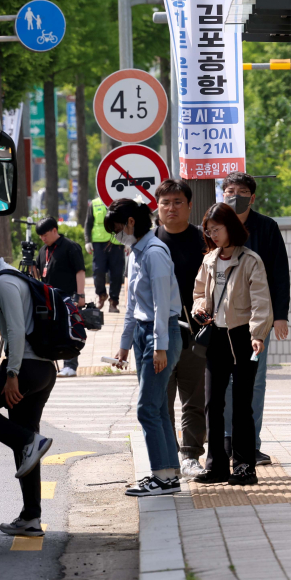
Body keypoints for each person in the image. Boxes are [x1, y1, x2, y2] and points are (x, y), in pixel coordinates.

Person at [0, 232, 56, 535]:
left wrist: (11, 374)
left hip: (26, 367)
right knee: (25, 439)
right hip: (43, 369)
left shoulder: (4, 282)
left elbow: (16, 331)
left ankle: (28, 442)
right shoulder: (14, 276)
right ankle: (31, 517)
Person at [192, 203, 273, 486]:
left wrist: (258, 334)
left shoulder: (251, 260)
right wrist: (200, 308)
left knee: (241, 405)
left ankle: (244, 467)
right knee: (213, 403)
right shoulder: (209, 260)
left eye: (217, 229)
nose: (213, 234)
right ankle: (216, 466)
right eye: (209, 230)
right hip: (216, 336)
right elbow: (199, 292)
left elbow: (261, 301)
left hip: (242, 338)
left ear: (231, 228)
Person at [110, 199, 183, 497]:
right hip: (144, 335)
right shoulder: (135, 254)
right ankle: (168, 474)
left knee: (146, 409)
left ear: (130, 222)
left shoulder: (154, 253)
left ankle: (161, 478)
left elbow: (161, 305)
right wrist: (124, 346)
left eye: (117, 229)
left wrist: (160, 347)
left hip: (159, 334)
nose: (116, 235)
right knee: (157, 408)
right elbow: (131, 306)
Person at [219, 172, 289, 465]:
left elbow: (280, 273)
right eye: (230, 190)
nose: (236, 195)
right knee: (224, 382)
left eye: (242, 191)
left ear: (253, 196)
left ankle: (250, 444)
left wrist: (281, 316)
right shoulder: (215, 225)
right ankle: (226, 442)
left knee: (255, 381)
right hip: (222, 320)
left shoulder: (267, 227)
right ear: (222, 194)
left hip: (258, 320)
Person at [154, 180, 208, 480]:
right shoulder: (148, 243)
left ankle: (190, 456)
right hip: (157, 335)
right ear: (157, 207)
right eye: (165, 202)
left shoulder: (204, 241)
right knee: (161, 399)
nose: (171, 207)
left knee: (194, 399)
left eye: (177, 202)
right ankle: (168, 456)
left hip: (194, 334)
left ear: (189, 205)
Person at [35, 216, 87, 377]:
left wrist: (80, 295)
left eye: (45, 235)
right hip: (49, 298)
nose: (43, 239)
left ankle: (70, 365)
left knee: (69, 330)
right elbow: (37, 273)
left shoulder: (70, 247)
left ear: (54, 230)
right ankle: (50, 361)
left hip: (68, 297)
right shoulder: (43, 250)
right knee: (51, 331)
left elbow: (80, 271)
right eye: (40, 236)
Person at [85, 195, 125, 313]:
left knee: (117, 274)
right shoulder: (94, 203)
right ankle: (101, 295)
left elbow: (126, 222)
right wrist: (88, 241)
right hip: (99, 243)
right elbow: (88, 224)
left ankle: (114, 302)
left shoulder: (119, 202)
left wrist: (128, 240)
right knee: (98, 271)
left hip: (117, 242)